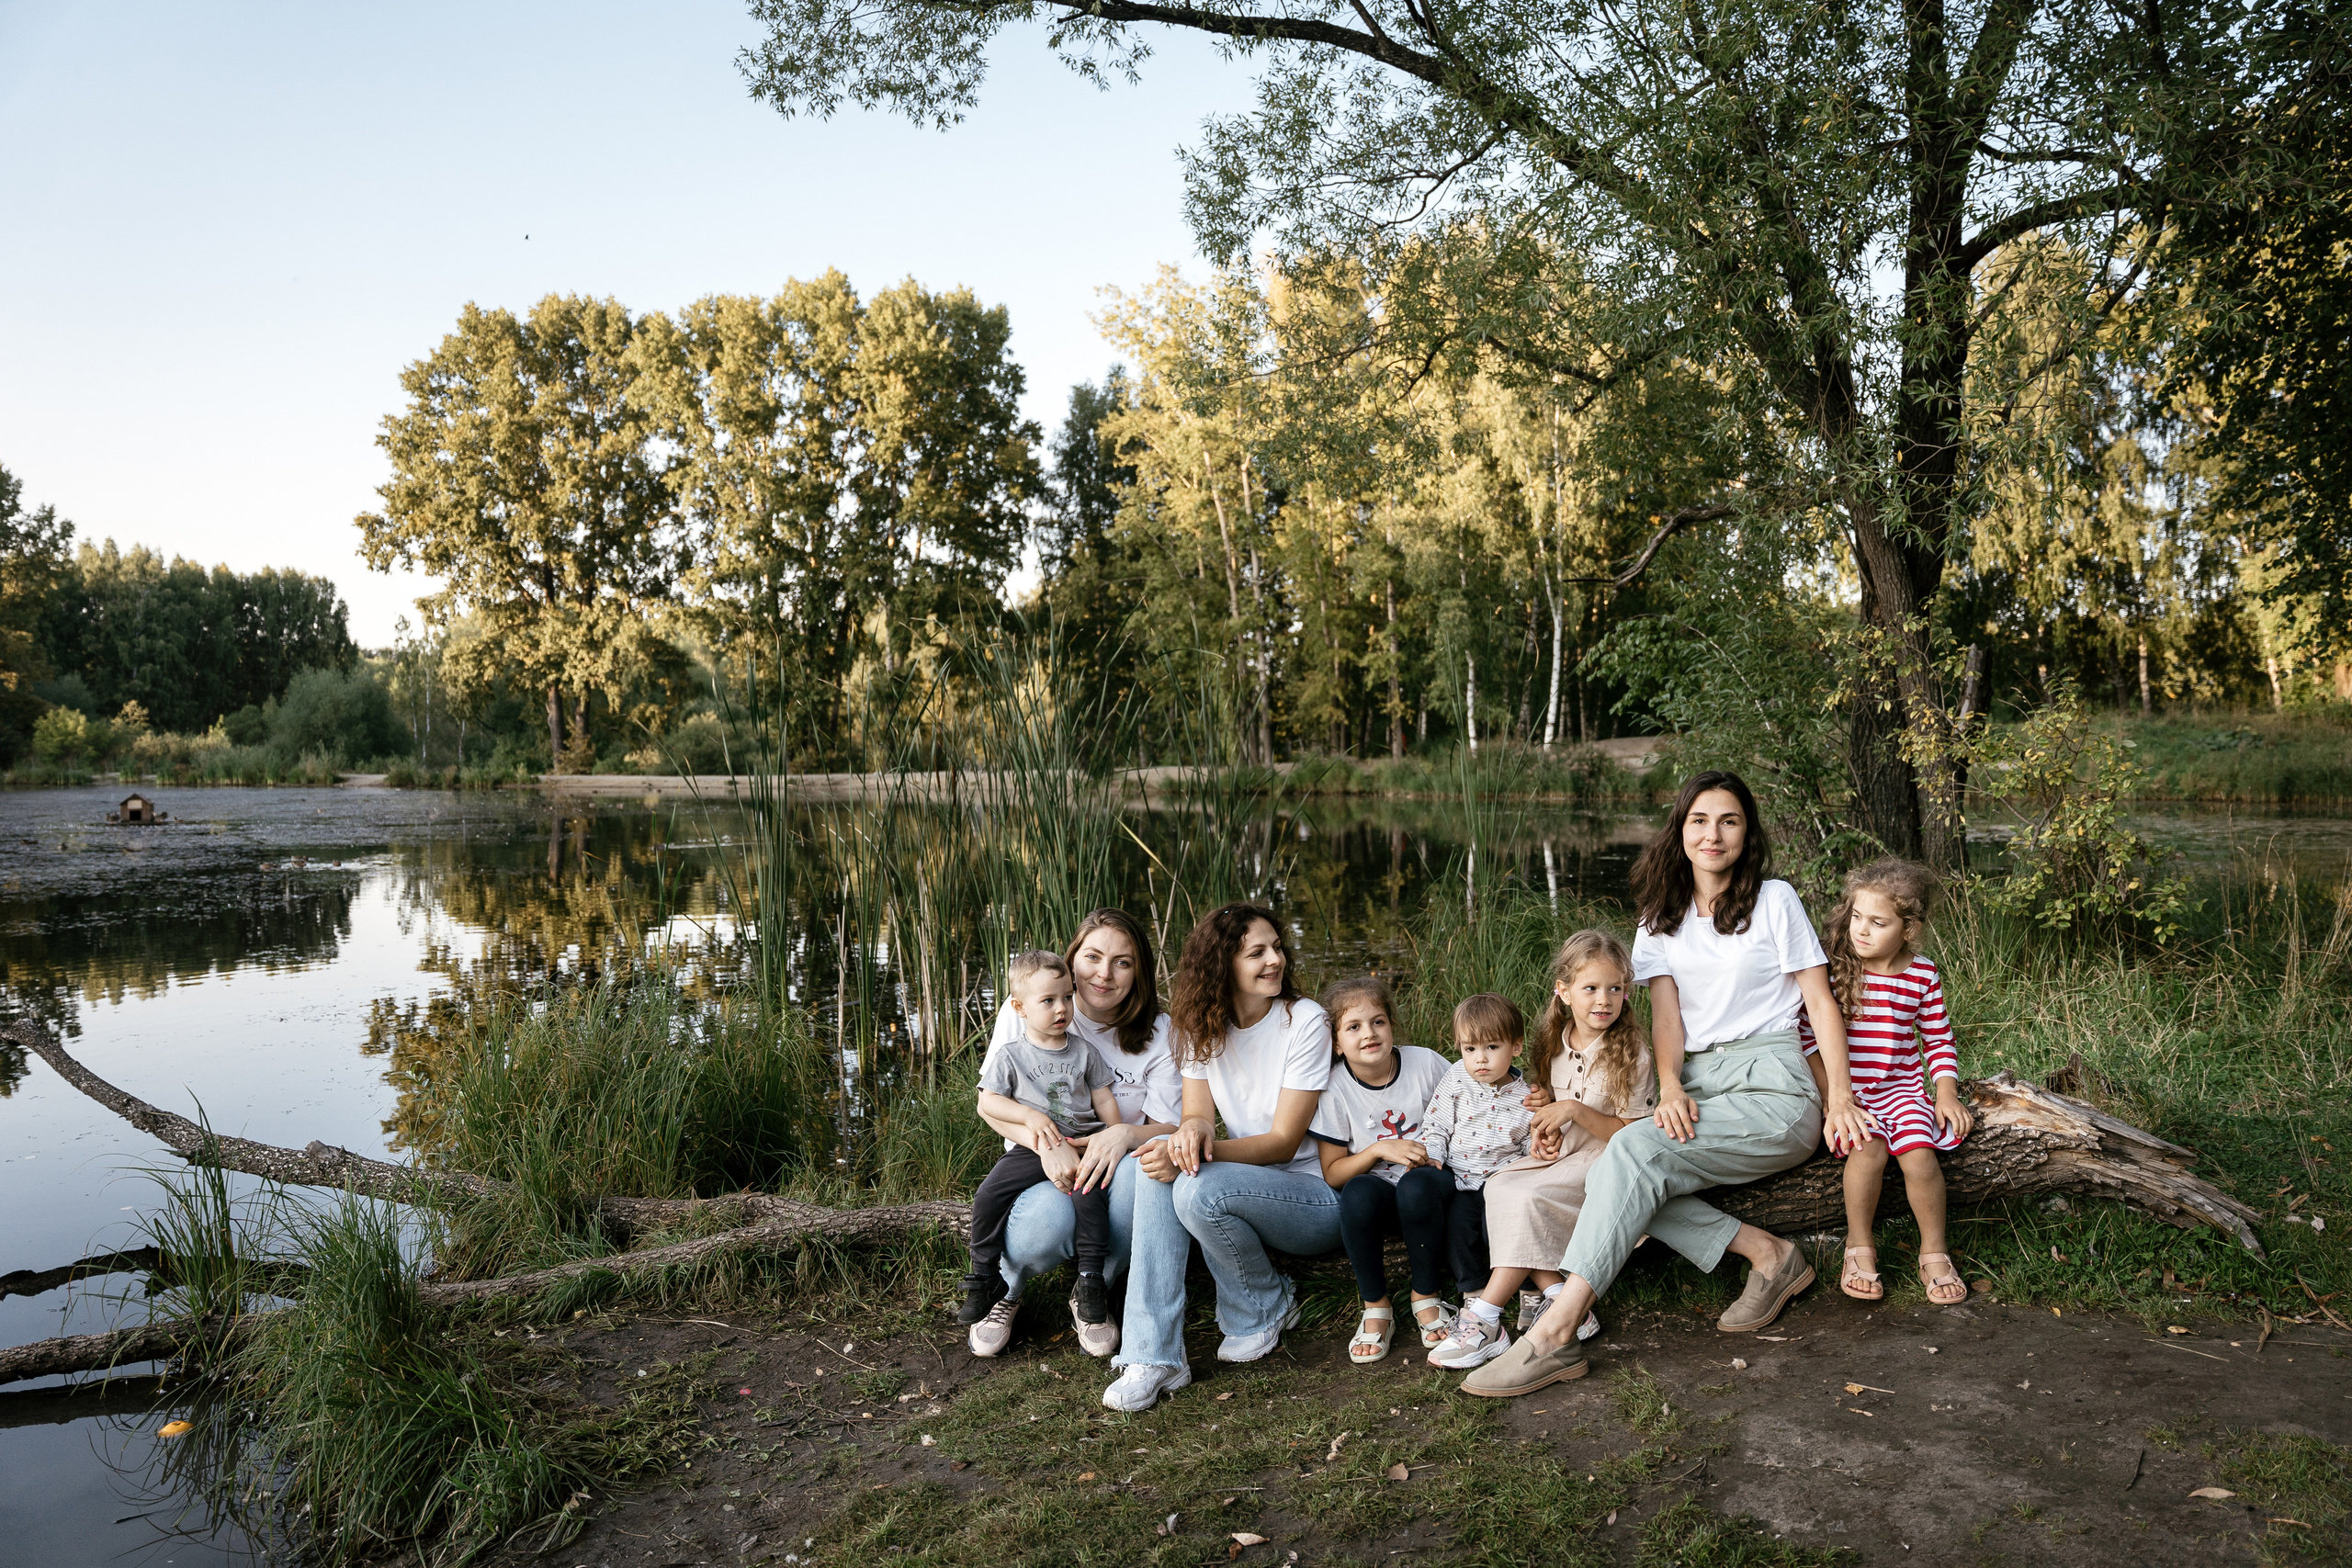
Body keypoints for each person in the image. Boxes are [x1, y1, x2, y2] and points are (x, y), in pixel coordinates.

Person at [1461, 770, 1872, 1398]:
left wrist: (1839, 1096)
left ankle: (1555, 1331)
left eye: (1729, 821)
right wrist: (1672, 1085)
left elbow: (1819, 1001)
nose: (1714, 834)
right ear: (1680, 830)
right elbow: (1667, 1019)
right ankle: (1769, 1254)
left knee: (1627, 1155)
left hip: (1774, 1085)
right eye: (1699, 820)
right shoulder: (1658, 920)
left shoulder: (1775, 900)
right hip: (1699, 1087)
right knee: (1617, 1166)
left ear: (1747, 833)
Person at [1102, 904, 1334, 1413]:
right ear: (1221, 964)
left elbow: (1283, 1142)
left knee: (1194, 1182)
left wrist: (1195, 1153)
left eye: (1277, 948)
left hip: (1317, 1195)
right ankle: (1153, 1355)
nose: (1275, 960)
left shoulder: (1305, 1021)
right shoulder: (1199, 1026)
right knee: (1162, 1163)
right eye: (1257, 953)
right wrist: (1190, 1136)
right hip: (1249, 1186)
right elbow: (1197, 1115)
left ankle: (1265, 1306)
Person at [972, 909, 1182, 1359]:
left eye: (1123, 962)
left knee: (1146, 1176)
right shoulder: (1030, 1003)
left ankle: (1093, 1288)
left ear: (1139, 971)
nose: (1104, 974)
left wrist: (1123, 1134)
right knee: (1047, 1223)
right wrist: (1045, 1144)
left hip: (1113, 1164)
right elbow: (987, 1104)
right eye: (1093, 957)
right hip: (1039, 1161)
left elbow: (1171, 1127)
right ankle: (1005, 1290)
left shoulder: (1161, 1033)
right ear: (1072, 959)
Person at [1467, 930, 1651, 1350]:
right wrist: (1544, 1126)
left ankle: (1485, 1316)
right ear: (1564, 992)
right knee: (1498, 1185)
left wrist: (1574, 1110)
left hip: (1608, 1161)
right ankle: (1557, 1298)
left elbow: (1633, 1135)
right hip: (1565, 1154)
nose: (1604, 1000)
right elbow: (1551, 1101)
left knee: (1530, 1196)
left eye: (1615, 989)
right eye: (1590, 989)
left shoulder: (1632, 1053)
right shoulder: (1554, 1040)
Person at [1804, 858, 1974, 1305]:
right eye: (1857, 916)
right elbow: (1807, 1038)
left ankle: (1934, 1253)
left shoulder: (1922, 974)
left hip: (1902, 1089)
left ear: (1909, 929)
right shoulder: (1833, 971)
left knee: (1919, 1155)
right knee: (1869, 1151)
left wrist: (1946, 1093)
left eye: (1878, 923)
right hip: (1849, 1093)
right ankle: (1859, 1246)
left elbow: (1938, 1039)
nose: (1861, 930)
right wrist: (1831, 1098)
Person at [961, 951, 1124, 1331]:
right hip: (1033, 1146)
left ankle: (1091, 1279)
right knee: (988, 1195)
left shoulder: (1084, 1051)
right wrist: (1030, 1117)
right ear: (1020, 1007)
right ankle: (984, 1276)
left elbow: (1102, 1099)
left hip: (1083, 1142)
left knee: (1090, 1198)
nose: (1061, 1008)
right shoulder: (1011, 1056)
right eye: (1048, 1001)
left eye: (1067, 997)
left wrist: (1114, 1134)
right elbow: (990, 1101)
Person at [1309, 975, 1453, 1364]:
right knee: (1357, 1192)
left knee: (1416, 1186)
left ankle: (1426, 1295)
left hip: (1430, 1183)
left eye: (1378, 1022)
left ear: (1392, 1026)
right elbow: (1334, 1172)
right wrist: (1377, 1150)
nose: (1369, 1033)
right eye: (1353, 1027)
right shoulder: (1334, 1089)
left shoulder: (1424, 1063)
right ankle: (1376, 1306)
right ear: (1336, 1043)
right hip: (1381, 1192)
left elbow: (1469, 1095)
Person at [1420, 995, 1540, 1371]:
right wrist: (1433, 1157)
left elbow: (1529, 1145)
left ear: (1515, 1047)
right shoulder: (1457, 1078)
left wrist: (1533, 1156)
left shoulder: (1527, 1097)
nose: (1480, 1059)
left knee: (1500, 1233)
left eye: (1492, 1047)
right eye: (1470, 1049)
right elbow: (1436, 1123)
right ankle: (1474, 1297)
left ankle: (1530, 1293)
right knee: (1459, 1230)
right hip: (1461, 1180)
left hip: (1502, 1184)